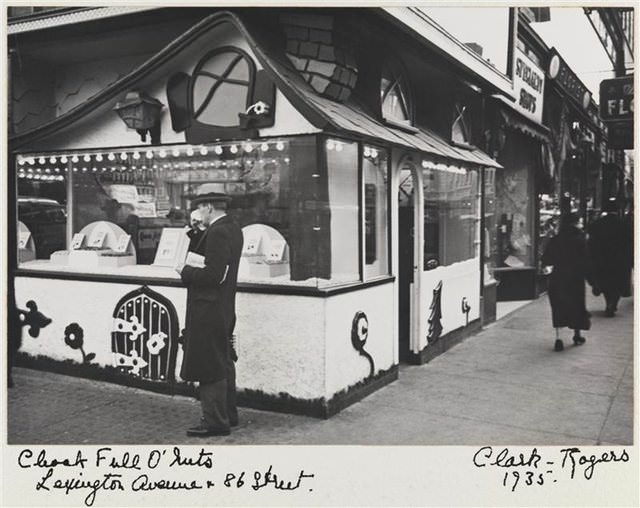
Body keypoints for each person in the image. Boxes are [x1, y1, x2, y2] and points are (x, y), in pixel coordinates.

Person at [175, 192, 243, 437]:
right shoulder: (232, 228)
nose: (198, 213)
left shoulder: (218, 232)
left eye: (200, 208)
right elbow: (213, 259)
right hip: (223, 307)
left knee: (209, 364)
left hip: (208, 308)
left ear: (208, 207)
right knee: (223, 360)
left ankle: (214, 421)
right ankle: (229, 415)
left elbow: (213, 275)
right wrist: (196, 233)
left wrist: (185, 272)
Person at [542, 211, 593, 352]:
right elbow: (586, 261)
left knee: (558, 307)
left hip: (558, 277)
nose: (582, 224)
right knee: (576, 306)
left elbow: (546, 259)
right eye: (581, 222)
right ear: (575, 223)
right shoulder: (580, 239)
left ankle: (558, 339)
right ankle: (577, 335)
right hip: (575, 278)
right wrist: (591, 279)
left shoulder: (556, 239)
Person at [587, 198, 631, 317]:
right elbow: (629, 243)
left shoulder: (599, 223)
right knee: (616, 283)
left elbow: (590, 238)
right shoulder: (623, 224)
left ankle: (608, 302)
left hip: (602, 259)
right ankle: (613, 303)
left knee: (606, 282)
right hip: (619, 259)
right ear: (617, 211)